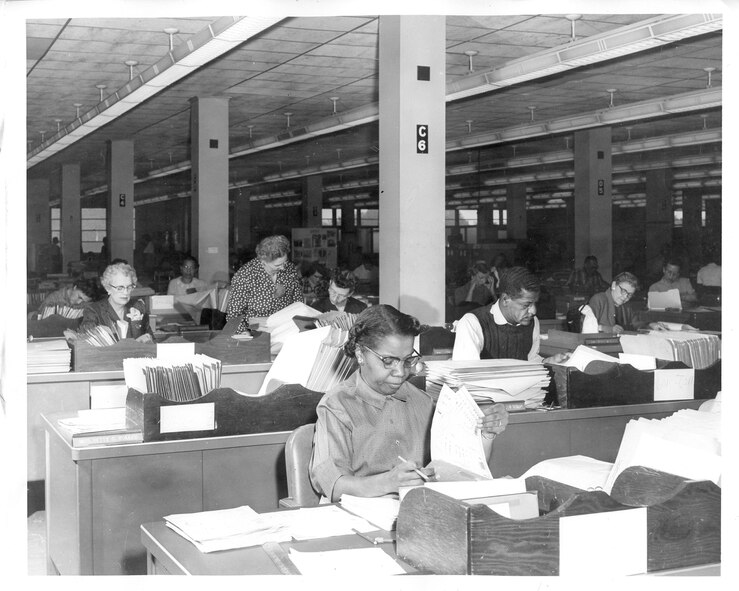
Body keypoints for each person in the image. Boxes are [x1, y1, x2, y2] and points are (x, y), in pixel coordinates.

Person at [309, 305, 509, 502]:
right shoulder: (337, 406)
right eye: (388, 360)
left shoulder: (421, 401)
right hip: (359, 516)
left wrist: (485, 434)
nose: (400, 372)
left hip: (418, 510)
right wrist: (388, 482)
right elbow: (333, 485)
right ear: (361, 354)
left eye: (407, 360)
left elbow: (460, 471)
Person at [452, 266, 567, 363]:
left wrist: (549, 361)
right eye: (526, 305)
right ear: (506, 300)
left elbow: (531, 361)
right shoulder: (472, 322)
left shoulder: (532, 322)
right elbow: (466, 374)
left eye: (534, 304)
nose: (533, 311)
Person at [226, 234, 303, 333]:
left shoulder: (289, 269)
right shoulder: (245, 275)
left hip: (286, 329)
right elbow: (234, 314)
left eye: (285, 262)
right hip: (256, 333)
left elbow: (298, 301)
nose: (283, 267)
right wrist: (244, 333)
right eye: (278, 265)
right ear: (263, 261)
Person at [80, 262, 153, 342]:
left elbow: (151, 340)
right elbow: (87, 341)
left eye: (129, 287)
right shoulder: (93, 310)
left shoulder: (138, 307)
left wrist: (137, 326)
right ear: (108, 288)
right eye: (120, 288)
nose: (125, 292)